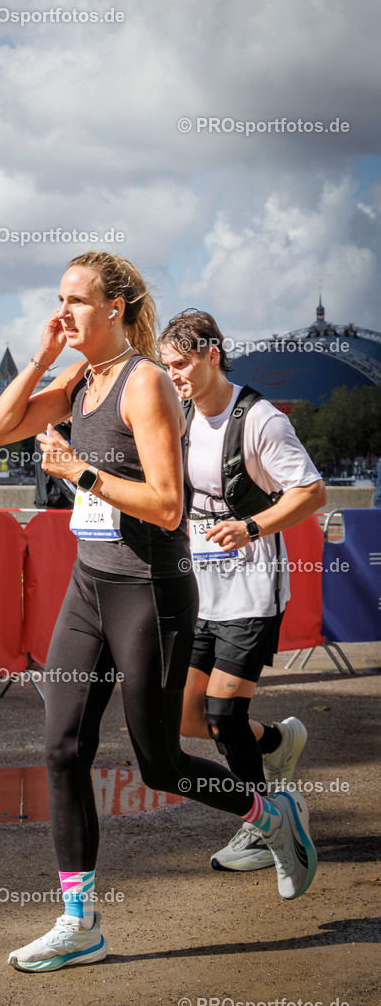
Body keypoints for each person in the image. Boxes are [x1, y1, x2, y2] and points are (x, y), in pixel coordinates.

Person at [0, 253, 316, 973]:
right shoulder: (78, 382)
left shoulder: (146, 385)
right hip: (87, 587)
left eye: (75, 300)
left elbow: (166, 506)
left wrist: (81, 473)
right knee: (62, 748)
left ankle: (269, 814)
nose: (62, 310)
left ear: (116, 307)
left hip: (150, 596)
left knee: (159, 765)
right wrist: (42, 354)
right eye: (59, 298)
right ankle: (79, 922)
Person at [159, 309, 326, 872]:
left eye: (181, 364)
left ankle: (262, 827)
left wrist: (252, 526)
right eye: (166, 366)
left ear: (212, 355)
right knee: (185, 717)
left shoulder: (261, 420)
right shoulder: (179, 417)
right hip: (199, 591)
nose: (174, 375)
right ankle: (276, 742)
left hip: (253, 590)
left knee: (223, 714)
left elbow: (311, 493)